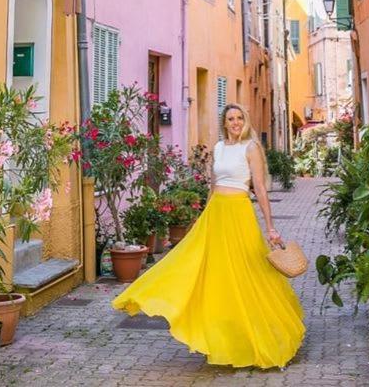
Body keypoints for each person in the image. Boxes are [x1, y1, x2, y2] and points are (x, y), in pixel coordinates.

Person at [111, 102, 305, 369]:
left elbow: (259, 188)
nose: (235, 123)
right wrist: (202, 217)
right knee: (210, 272)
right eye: (231, 119)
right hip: (216, 214)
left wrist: (270, 227)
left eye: (239, 118)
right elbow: (213, 187)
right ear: (224, 123)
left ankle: (264, 337)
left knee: (249, 272)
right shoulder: (219, 148)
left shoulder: (251, 148)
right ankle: (220, 335)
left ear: (245, 121)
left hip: (239, 214)